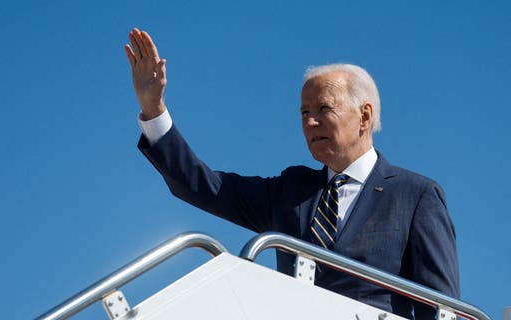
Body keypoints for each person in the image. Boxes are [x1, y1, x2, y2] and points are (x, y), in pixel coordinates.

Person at [124, 28, 459, 319]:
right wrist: (153, 110)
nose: (310, 122)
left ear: (365, 117)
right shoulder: (292, 190)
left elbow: (442, 307)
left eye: (324, 109)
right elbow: (202, 186)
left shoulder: (416, 196)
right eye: (304, 112)